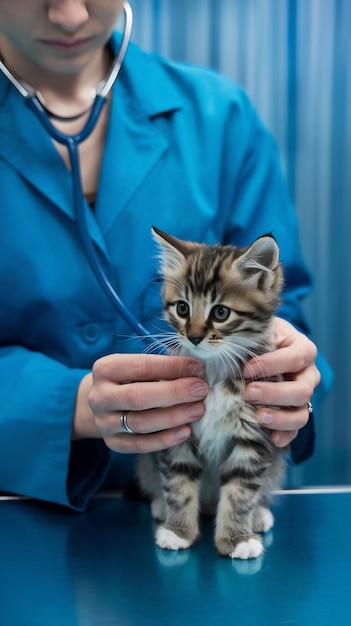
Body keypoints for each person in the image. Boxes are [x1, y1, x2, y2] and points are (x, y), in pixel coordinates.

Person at [0, 1, 330, 511]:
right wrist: (66, 407)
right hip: (21, 509)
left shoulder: (221, 116)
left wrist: (291, 380)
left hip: (220, 485)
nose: (68, 15)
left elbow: (290, 318)